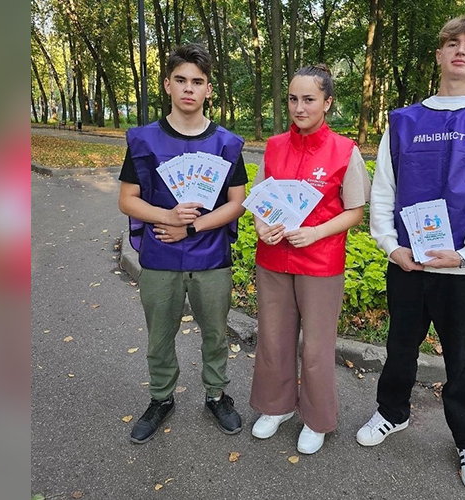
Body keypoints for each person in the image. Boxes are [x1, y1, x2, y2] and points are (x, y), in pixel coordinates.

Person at [357, 16, 465, 495]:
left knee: (464, 361)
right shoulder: (403, 121)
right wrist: (391, 246)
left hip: (464, 269)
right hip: (408, 263)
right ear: (439, 54)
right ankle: (392, 413)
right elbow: (384, 191)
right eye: (452, 43)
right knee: (400, 347)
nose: (460, 50)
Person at [118, 43, 248, 444]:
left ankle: (216, 395)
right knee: (159, 337)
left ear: (209, 89)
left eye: (197, 81)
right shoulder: (144, 141)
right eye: (181, 80)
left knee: (216, 334)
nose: (189, 88)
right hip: (160, 255)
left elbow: (237, 203)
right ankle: (161, 398)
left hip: (211, 259)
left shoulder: (226, 144)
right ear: (167, 85)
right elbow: (127, 199)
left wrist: (190, 228)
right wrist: (168, 217)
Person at [248, 64, 371, 454]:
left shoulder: (344, 151)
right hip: (273, 260)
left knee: (317, 347)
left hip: (320, 262)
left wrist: (316, 232)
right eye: (292, 99)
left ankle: (316, 419)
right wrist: (261, 226)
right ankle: (277, 406)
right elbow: (259, 200)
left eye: (309, 99)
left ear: (327, 102)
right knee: (273, 338)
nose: (299, 108)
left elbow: (355, 211)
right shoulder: (274, 146)